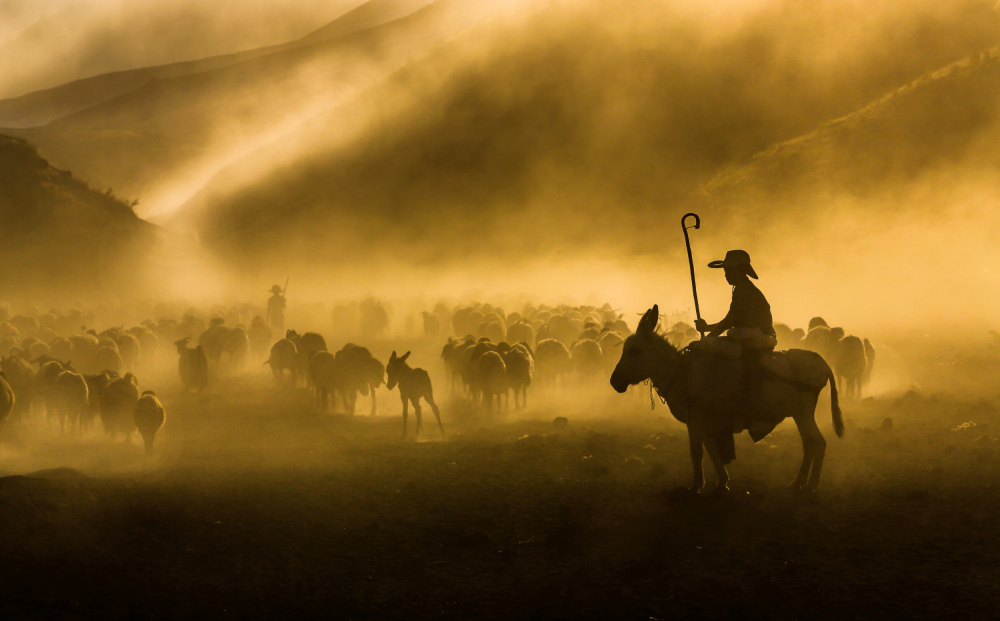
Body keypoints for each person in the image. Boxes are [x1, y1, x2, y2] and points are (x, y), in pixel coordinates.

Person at [694, 250, 777, 438]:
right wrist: (708, 329)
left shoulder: (744, 291)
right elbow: (731, 320)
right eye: (725, 271)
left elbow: (729, 321)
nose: (725, 275)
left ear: (739, 271)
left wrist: (708, 337)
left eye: (729, 271)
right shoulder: (741, 289)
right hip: (750, 334)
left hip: (758, 336)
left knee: (716, 352)